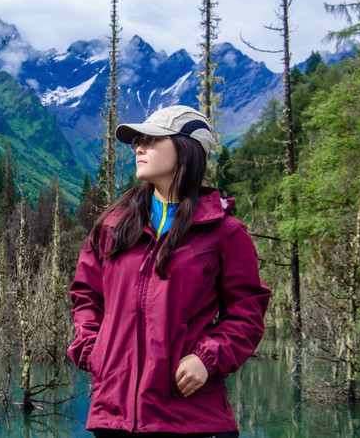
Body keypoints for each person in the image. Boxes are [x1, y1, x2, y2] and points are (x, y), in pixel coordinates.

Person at [68, 105, 270, 437]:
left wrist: (207, 358)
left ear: (186, 150)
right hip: (114, 416)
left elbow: (247, 314)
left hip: (191, 418)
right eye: (137, 142)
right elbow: (86, 296)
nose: (139, 149)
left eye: (152, 140)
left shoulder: (226, 233)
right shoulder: (113, 227)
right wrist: (94, 350)